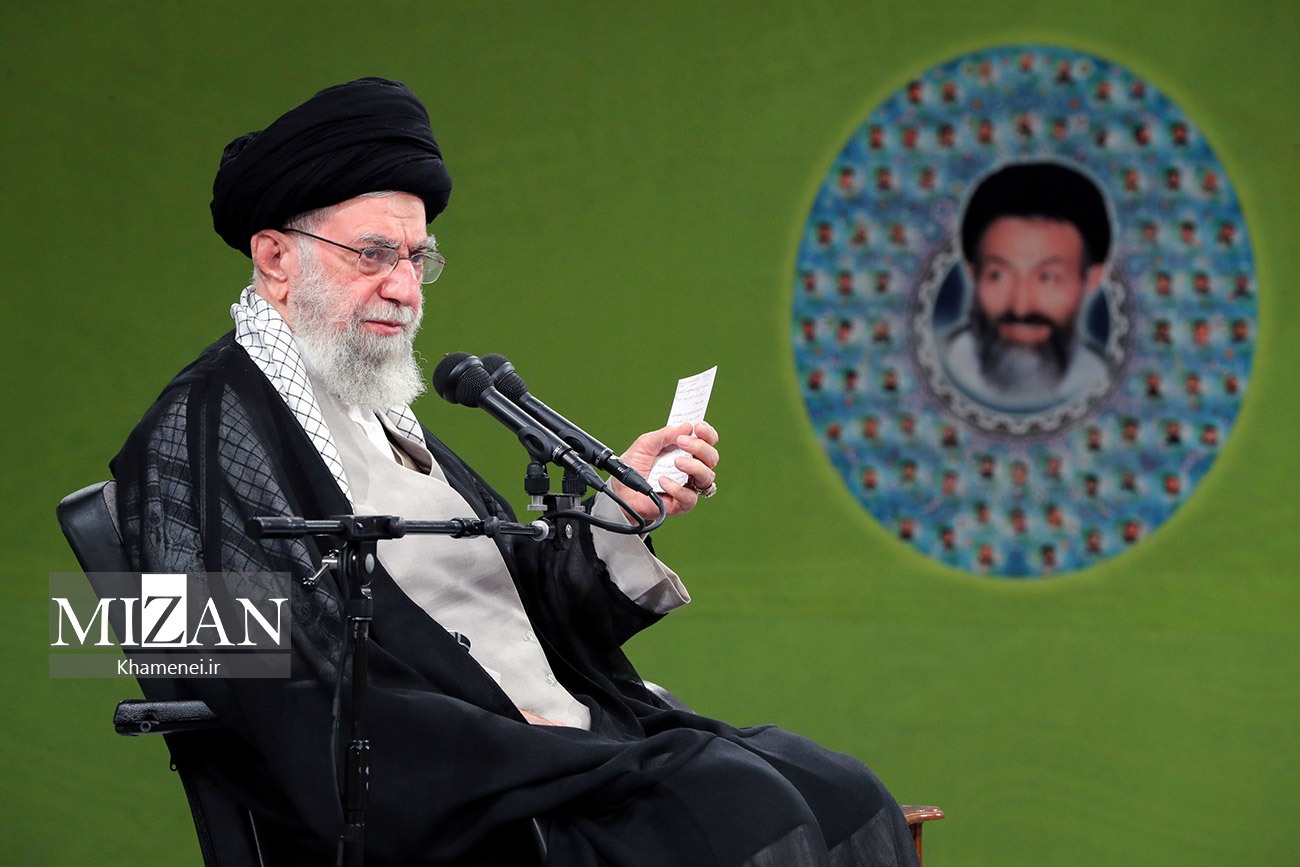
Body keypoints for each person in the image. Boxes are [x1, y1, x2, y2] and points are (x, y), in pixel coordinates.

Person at [109, 78, 918, 867]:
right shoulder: (198, 427)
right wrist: (518, 742)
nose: (403, 288)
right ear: (275, 257)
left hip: (552, 737)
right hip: (444, 789)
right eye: (373, 255)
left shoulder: (377, 411)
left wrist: (615, 513)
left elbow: (520, 616)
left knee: (844, 791)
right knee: (743, 805)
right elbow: (263, 681)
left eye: (417, 259)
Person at [940, 161, 1114, 413]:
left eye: (1047, 278)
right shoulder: (938, 366)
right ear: (973, 275)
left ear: (1091, 280)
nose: (1020, 307)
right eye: (998, 276)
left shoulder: (1105, 384)